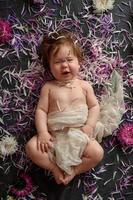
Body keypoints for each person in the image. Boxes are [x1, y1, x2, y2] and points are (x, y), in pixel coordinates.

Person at [25, 30, 104, 185]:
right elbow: (41, 111)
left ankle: (74, 170)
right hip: (53, 137)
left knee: (97, 153)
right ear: (49, 67)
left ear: (79, 62)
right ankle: (54, 168)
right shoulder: (48, 87)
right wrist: (42, 133)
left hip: (80, 135)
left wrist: (89, 126)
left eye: (69, 59)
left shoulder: (84, 86)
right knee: (31, 147)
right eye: (58, 62)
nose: (65, 65)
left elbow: (94, 106)